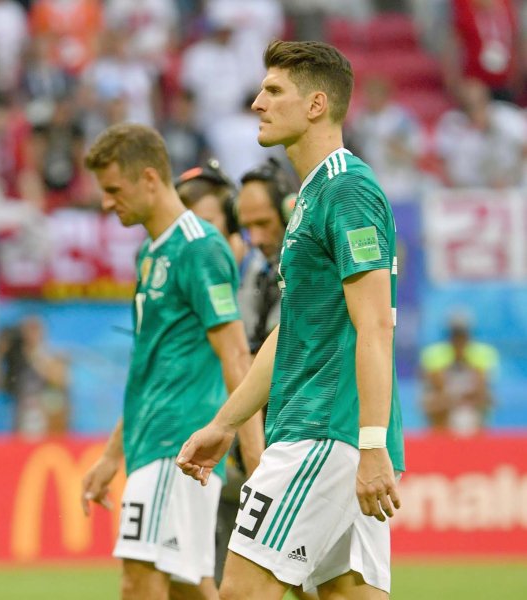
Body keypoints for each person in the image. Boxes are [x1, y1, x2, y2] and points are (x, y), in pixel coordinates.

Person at [176, 40, 405, 600]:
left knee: (241, 592)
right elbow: (292, 332)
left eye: (274, 90)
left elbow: (375, 326)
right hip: (330, 433)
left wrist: (372, 445)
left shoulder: (348, 189)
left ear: (317, 105)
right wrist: (227, 424)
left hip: (322, 432)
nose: (257, 102)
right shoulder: (311, 197)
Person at [80, 122, 263, 600]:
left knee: (140, 581)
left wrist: (257, 459)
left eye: (113, 189)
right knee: (189, 586)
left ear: (149, 178)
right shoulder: (149, 253)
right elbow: (149, 367)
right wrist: (111, 455)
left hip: (176, 443)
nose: (106, 202)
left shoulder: (200, 247)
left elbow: (236, 354)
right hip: (152, 444)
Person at [178, 158, 315, 600]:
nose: (256, 237)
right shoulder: (256, 272)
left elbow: (267, 353)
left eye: (265, 223)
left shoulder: (309, 269)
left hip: (295, 443)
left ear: (291, 208)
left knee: (299, 580)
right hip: (253, 437)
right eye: (247, 225)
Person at [420, 313, 499, 435]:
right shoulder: (434, 354)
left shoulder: (483, 353)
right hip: (445, 404)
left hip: (471, 403)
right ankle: (441, 438)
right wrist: (453, 398)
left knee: (485, 401)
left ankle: (478, 441)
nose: (459, 341)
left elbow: (484, 390)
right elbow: (434, 387)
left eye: (462, 335)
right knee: (434, 403)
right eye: (456, 335)